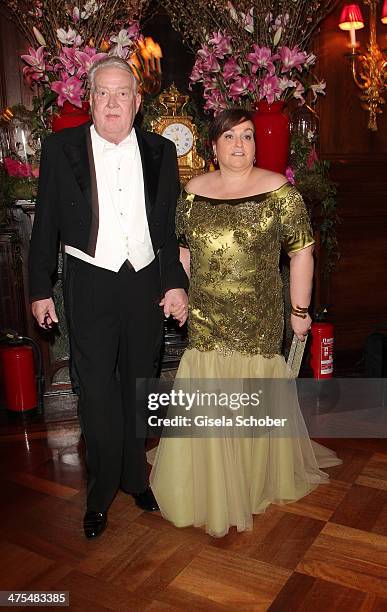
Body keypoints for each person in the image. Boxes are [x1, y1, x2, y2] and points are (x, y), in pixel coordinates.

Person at [150, 108, 341, 537]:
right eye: (230, 136)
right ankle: (212, 484)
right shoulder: (193, 192)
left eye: (248, 136)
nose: (240, 145)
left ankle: (252, 480)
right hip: (206, 316)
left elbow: (302, 253)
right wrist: (177, 292)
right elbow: (182, 252)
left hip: (258, 315)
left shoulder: (279, 191)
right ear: (212, 146)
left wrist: (299, 311)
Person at [28, 57, 188, 539]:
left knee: (140, 381)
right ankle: (101, 491)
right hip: (90, 279)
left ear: (138, 102)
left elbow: (167, 230)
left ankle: (136, 478)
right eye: (103, 93)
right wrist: (39, 288)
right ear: (89, 100)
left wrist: (174, 280)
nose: (113, 102)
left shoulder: (162, 151)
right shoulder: (61, 148)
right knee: (96, 389)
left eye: (123, 94)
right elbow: (45, 224)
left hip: (143, 280)